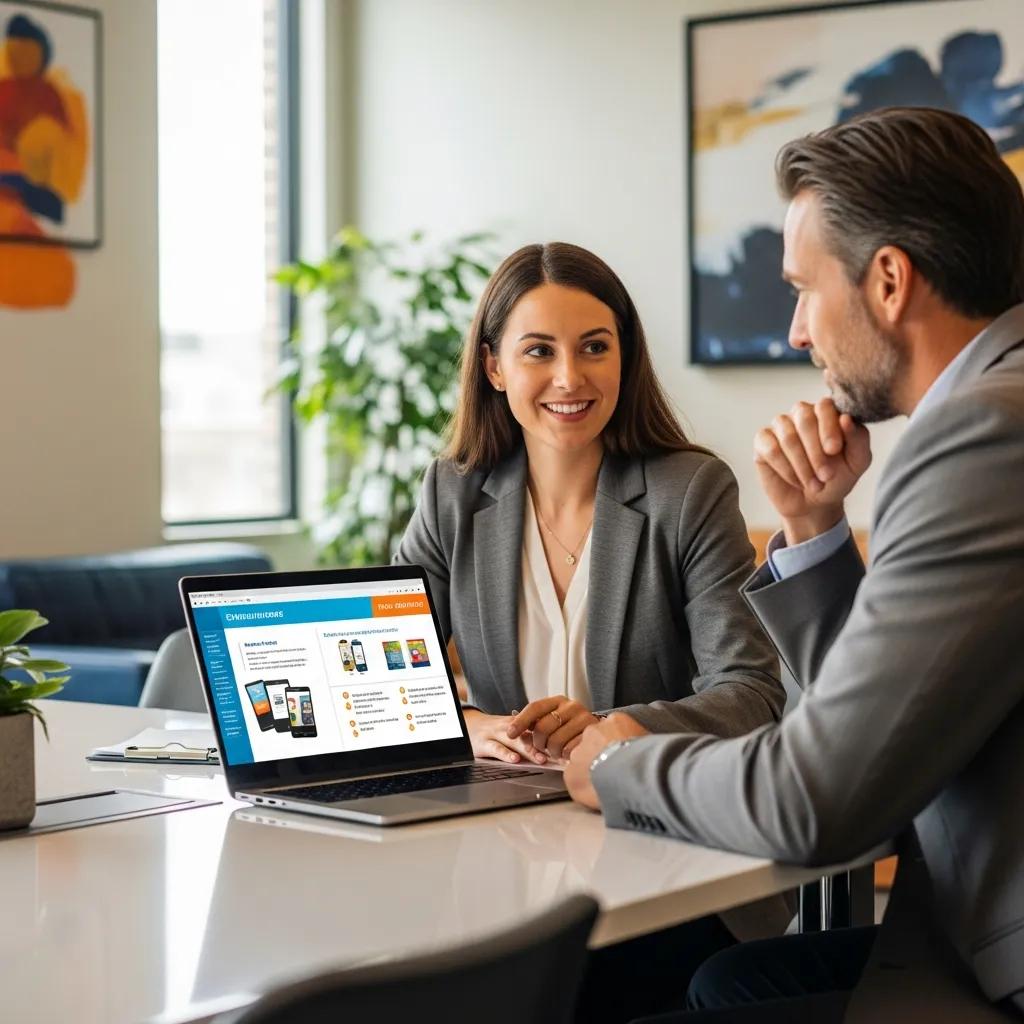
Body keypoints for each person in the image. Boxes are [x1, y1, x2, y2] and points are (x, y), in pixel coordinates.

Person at [565, 106, 1024, 1023]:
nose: (795, 333)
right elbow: (883, 735)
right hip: (963, 915)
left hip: (998, 953)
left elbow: (822, 805)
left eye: (803, 290)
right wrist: (815, 530)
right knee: (727, 983)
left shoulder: (983, 436)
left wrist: (622, 763)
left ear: (889, 279)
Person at [395, 241, 788, 1019]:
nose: (571, 378)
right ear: (495, 367)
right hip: (507, 852)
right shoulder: (453, 494)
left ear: (624, 358)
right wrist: (469, 725)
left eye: (595, 348)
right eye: (539, 350)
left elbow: (750, 692)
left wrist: (619, 730)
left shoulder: (688, 491)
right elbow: (380, 674)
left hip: (663, 861)